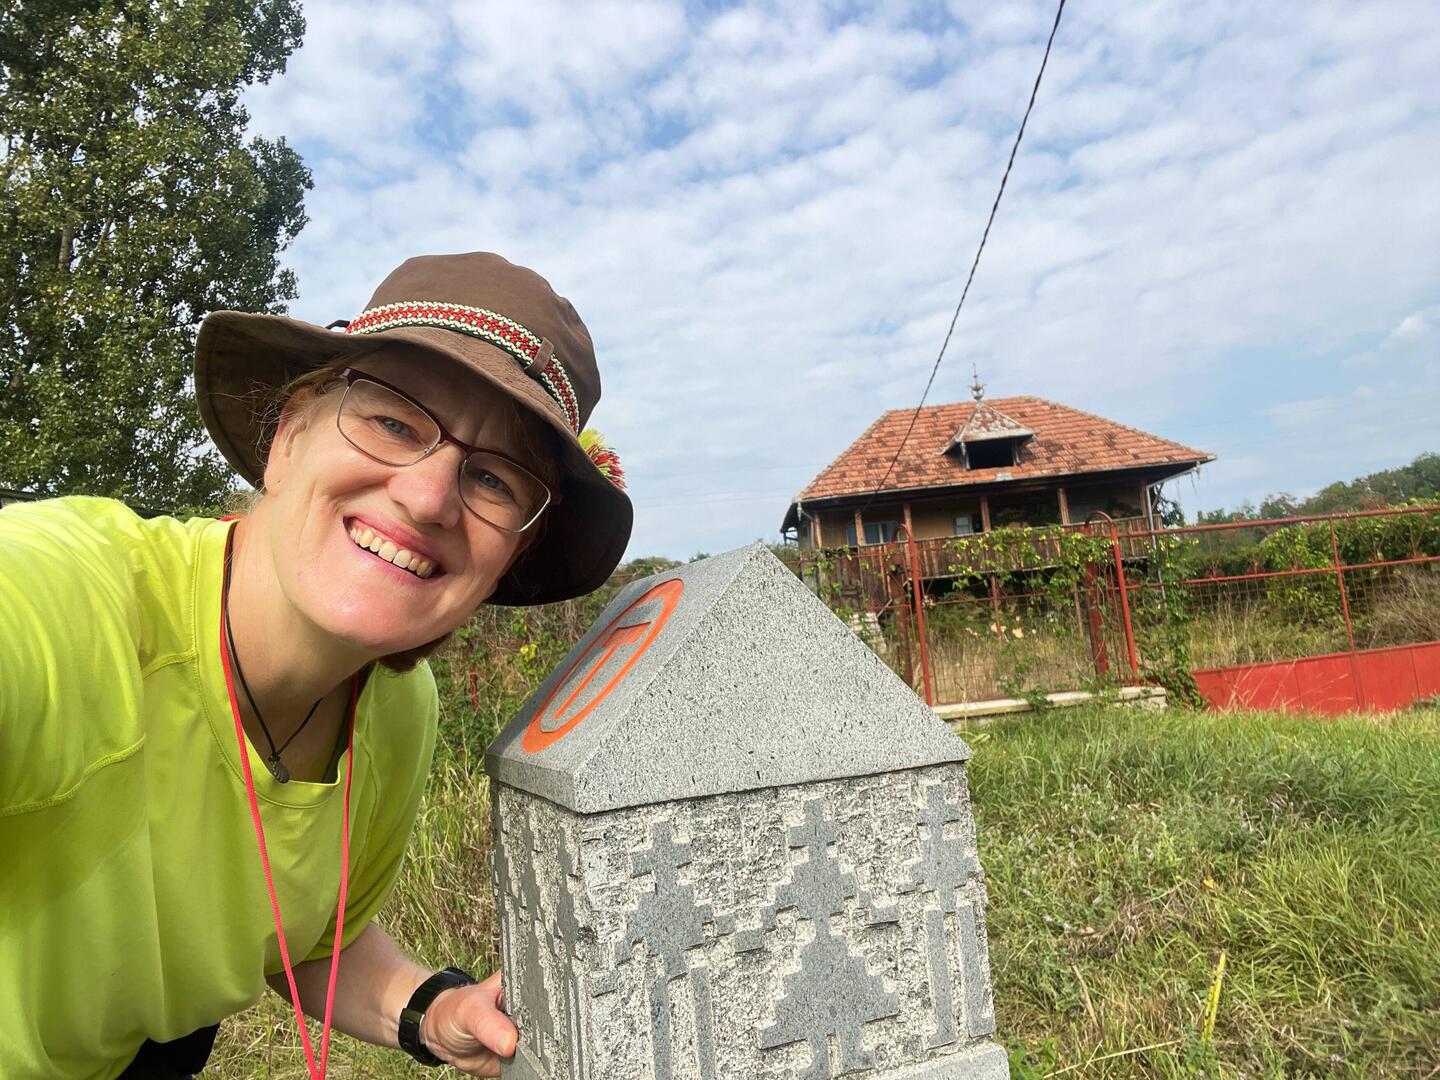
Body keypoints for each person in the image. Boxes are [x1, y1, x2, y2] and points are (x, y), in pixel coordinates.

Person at [0, 252, 632, 1078]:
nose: (429, 496)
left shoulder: (399, 709)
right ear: (288, 434)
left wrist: (432, 1011)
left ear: (510, 555)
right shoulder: (63, 598)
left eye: (493, 478)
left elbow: (304, 938)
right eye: (395, 423)